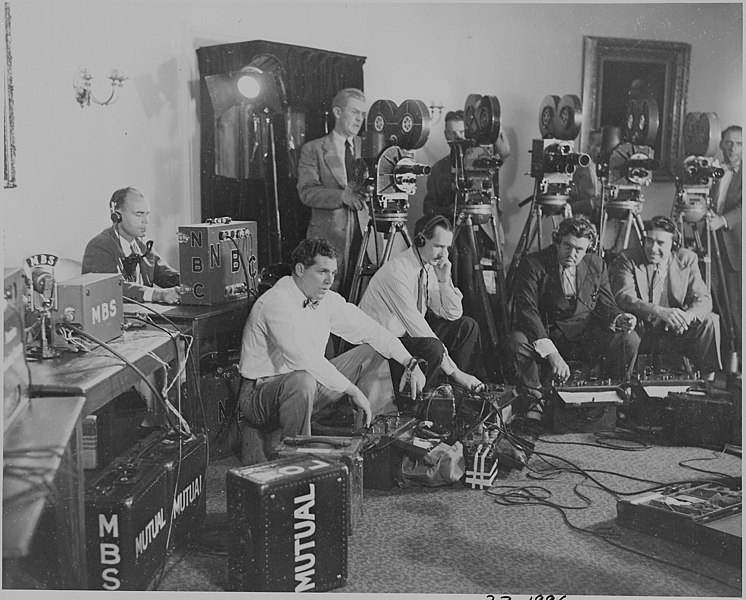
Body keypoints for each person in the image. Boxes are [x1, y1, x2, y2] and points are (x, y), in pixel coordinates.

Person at [237, 237, 426, 464]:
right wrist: (353, 391)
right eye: (322, 272)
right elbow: (301, 358)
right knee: (302, 380)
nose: (329, 281)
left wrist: (409, 362)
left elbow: (371, 330)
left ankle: (374, 440)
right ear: (299, 269)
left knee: (372, 351)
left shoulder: (326, 299)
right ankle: (298, 462)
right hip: (261, 394)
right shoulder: (276, 302)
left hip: (307, 384)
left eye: (333, 273)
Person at [506, 216, 639, 412]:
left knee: (630, 339)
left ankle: (612, 400)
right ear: (557, 241)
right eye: (568, 246)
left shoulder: (596, 264)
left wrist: (620, 318)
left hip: (585, 336)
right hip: (548, 335)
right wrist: (552, 354)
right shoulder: (533, 264)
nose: (572, 254)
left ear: (588, 249)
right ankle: (535, 402)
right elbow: (528, 312)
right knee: (516, 342)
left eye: (579, 250)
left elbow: (606, 304)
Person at [359, 214, 485, 399]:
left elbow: (452, 313)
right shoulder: (396, 273)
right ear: (420, 240)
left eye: (446, 248)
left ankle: (456, 396)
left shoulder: (427, 267)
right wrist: (456, 372)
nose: (443, 254)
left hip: (405, 338)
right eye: (438, 246)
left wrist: (443, 279)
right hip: (380, 348)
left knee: (467, 327)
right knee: (432, 347)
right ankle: (425, 406)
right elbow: (418, 328)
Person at [610, 216, 721, 378]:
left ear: (673, 244)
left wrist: (687, 317)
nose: (653, 248)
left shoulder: (687, 259)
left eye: (660, 243)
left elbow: (703, 299)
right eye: (649, 241)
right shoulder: (628, 258)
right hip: (642, 331)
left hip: (676, 332)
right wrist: (658, 311)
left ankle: (707, 383)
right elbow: (624, 297)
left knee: (711, 320)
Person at [297, 88, 369, 298]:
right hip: (328, 240)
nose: (360, 119)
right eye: (355, 112)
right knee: (324, 298)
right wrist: (341, 197)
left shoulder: (368, 148)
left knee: (361, 297)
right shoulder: (314, 149)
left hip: (365, 239)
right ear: (337, 112)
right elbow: (307, 192)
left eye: (363, 115)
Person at [82, 187, 181, 304]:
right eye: (139, 214)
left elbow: (170, 278)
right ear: (116, 216)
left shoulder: (143, 247)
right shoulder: (100, 247)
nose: (146, 221)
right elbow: (111, 289)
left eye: (147, 214)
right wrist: (157, 294)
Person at [708, 125, 742, 353]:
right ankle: (719, 364)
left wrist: (723, 220)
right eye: (728, 142)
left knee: (735, 308)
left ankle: (740, 364)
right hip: (710, 243)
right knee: (713, 303)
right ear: (721, 144)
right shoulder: (714, 169)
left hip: (735, 249)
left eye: (738, 143)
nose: (732, 148)